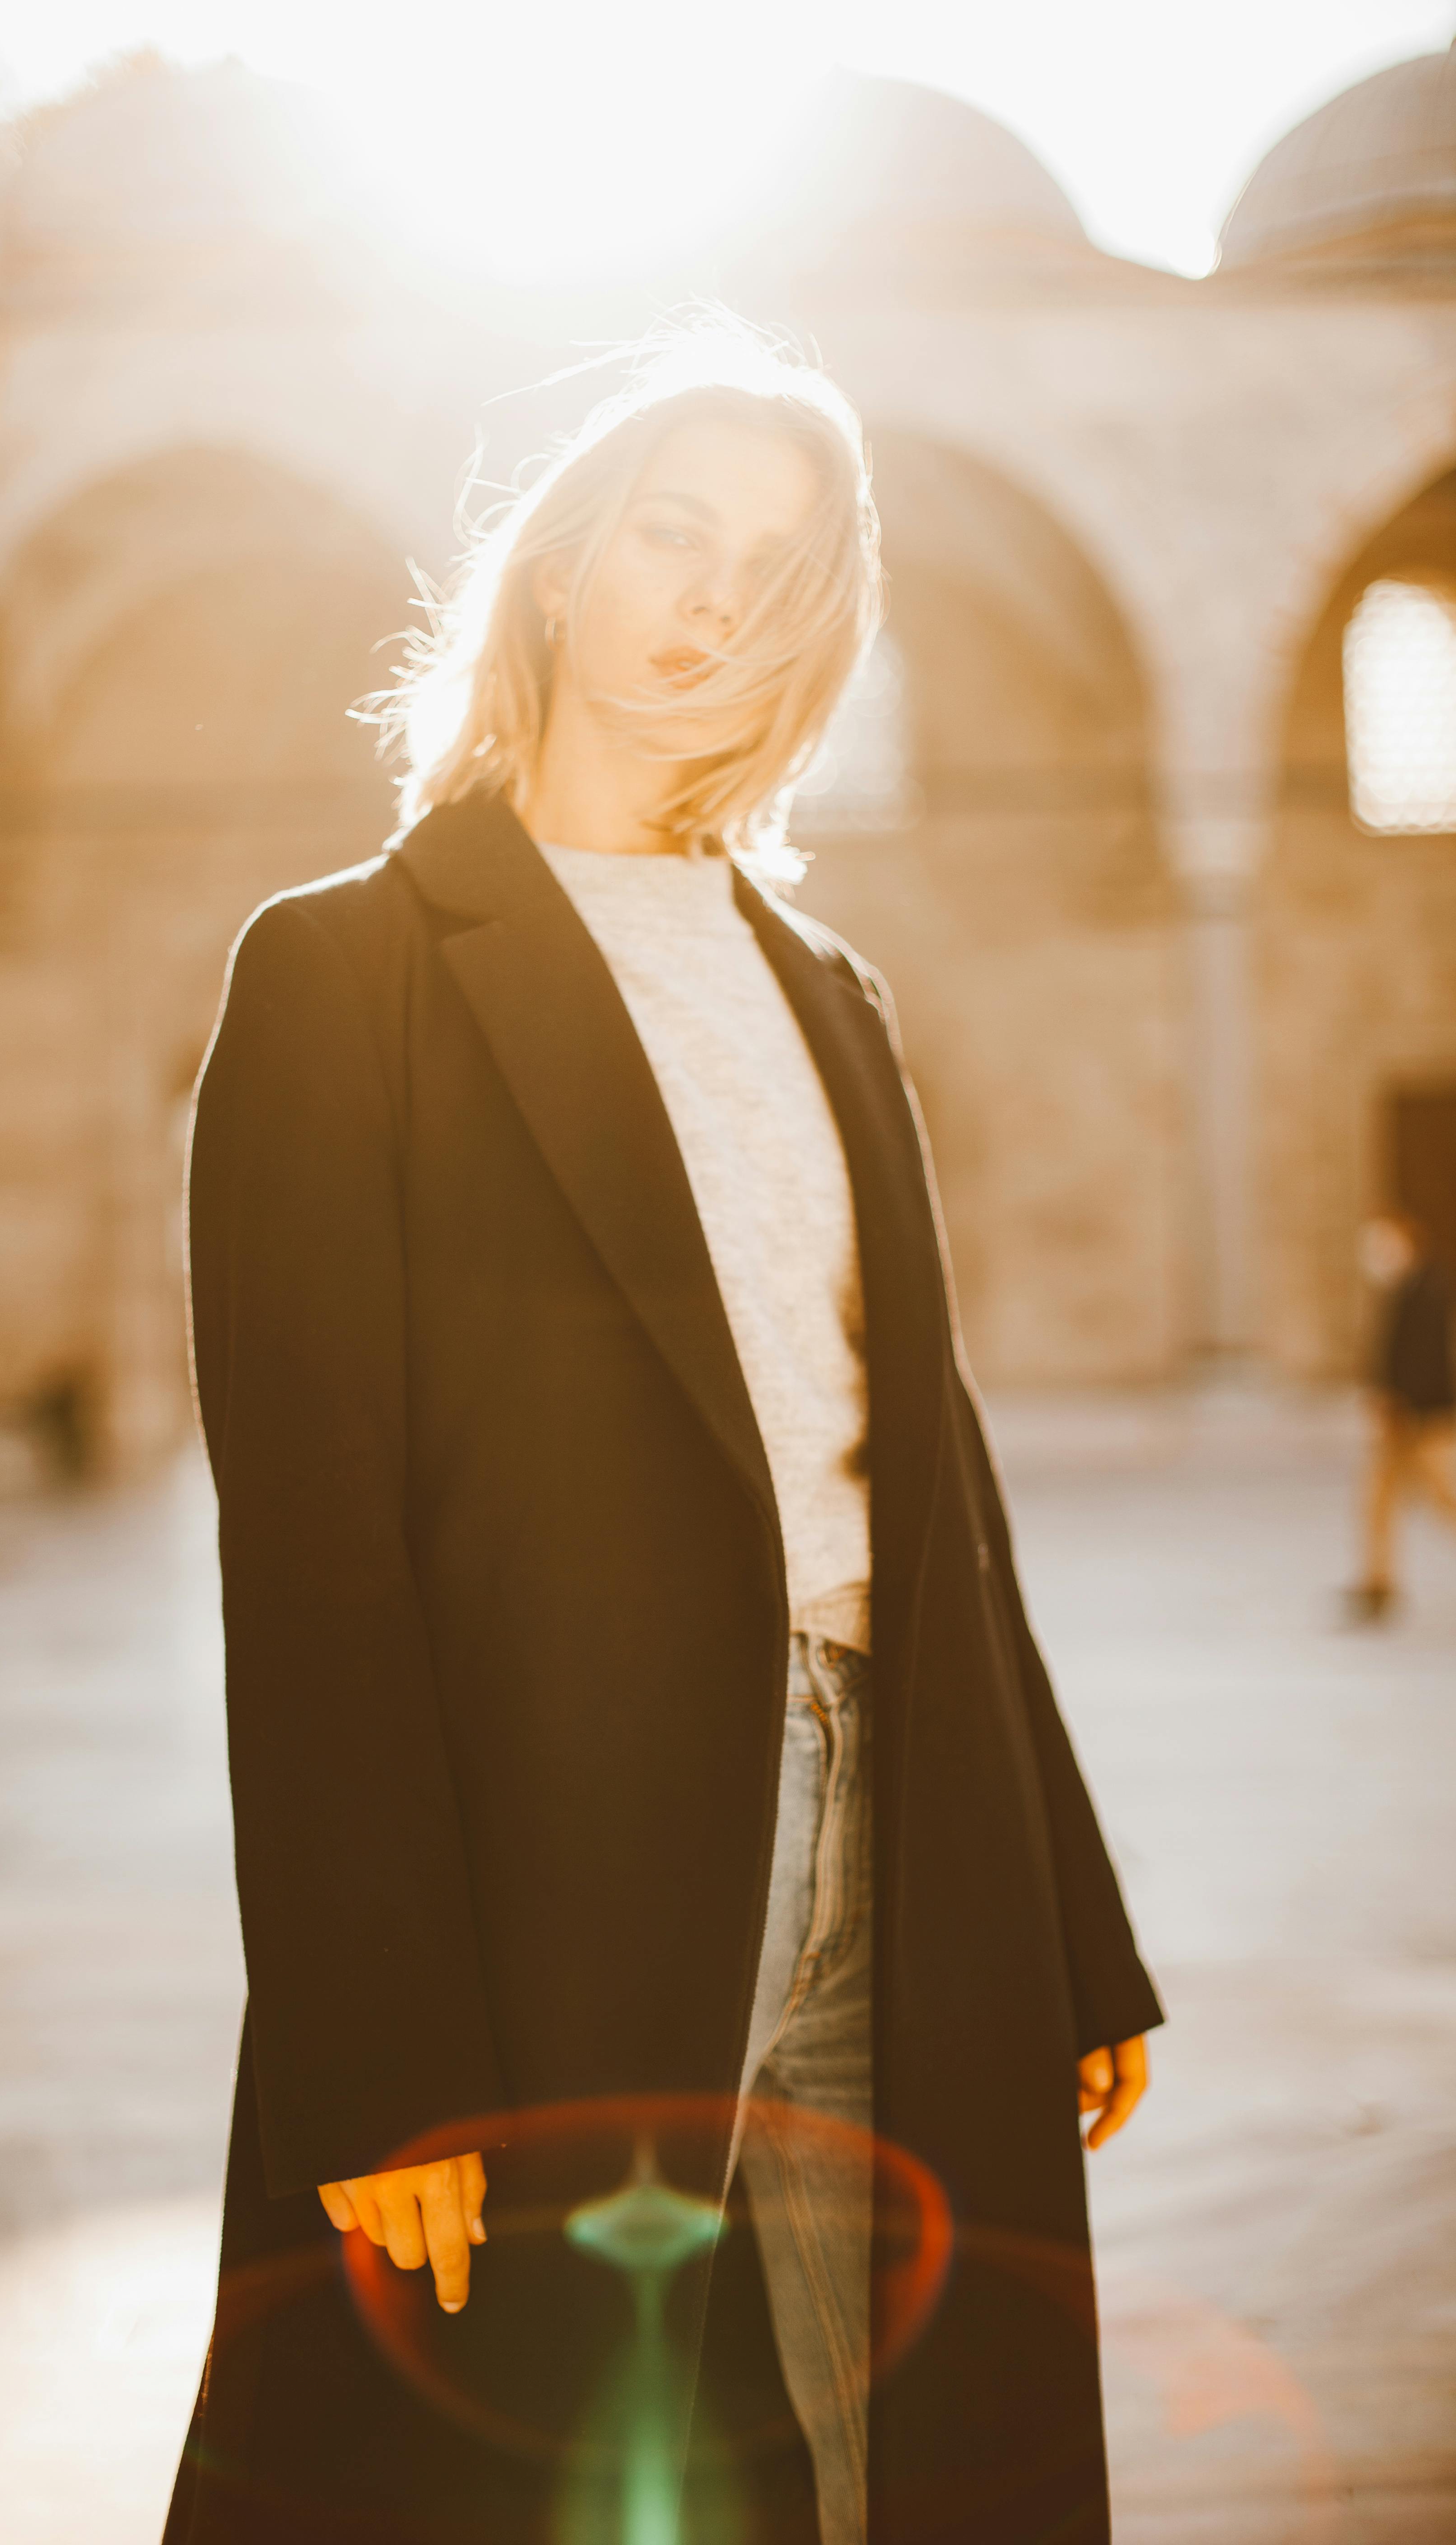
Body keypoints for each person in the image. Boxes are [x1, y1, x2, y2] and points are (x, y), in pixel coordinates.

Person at [163, 322, 1163, 2545]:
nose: (709, 597)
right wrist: (382, 2050)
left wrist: (1064, 1920)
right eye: (672, 531)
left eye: (774, 568)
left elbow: (935, 1475)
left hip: (908, 1822)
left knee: (877, 2459)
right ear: (561, 557)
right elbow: (313, 1557)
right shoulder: (348, 975)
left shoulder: (829, 989)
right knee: (573, 2470)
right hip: (566, 1863)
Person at [1350, 1210, 1456, 1622]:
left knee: (1445, 1500)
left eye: (1383, 1244)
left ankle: (1378, 1586)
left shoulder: (1429, 1290)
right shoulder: (1402, 1290)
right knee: (1377, 1498)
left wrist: (1400, 1402)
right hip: (1404, 1417)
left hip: (1424, 1418)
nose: (1375, 1254)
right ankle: (1377, 1585)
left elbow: (1425, 1359)